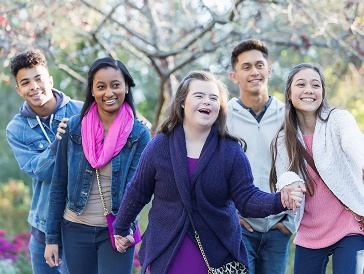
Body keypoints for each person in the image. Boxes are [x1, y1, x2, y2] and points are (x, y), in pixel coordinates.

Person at [111, 70, 303, 274]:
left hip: (216, 254)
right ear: (183, 102)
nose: (207, 102)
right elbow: (138, 191)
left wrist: (280, 200)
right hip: (166, 252)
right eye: (199, 96)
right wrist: (121, 228)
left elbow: (246, 199)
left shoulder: (231, 151)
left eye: (213, 98)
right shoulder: (159, 146)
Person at [43, 57, 151, 274]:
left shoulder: (139, 134)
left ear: (126, 86)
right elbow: (58, 185)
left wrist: (127, 229)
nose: (108, 93)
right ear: (92, 91)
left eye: (115, 85)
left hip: (116, 231)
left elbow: (137, 191)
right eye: (101, 86)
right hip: (74, 228)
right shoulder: (73, 128)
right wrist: (51, 239)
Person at [270, 63, 364, 274]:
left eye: (316, 85)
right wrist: (290, 184)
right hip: (309, 231)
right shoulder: (283, 138)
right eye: (301, 84)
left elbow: (355, 142)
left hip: (348, 225)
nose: (309, 90)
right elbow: (284, 174)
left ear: (322, 91)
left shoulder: (338, 119)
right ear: (289, 92)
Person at [6, 48, 83, 274]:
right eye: (26, 82)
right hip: (42, 229)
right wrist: (58, 143)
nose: (34, 86)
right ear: (19, 90)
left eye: (38, 78)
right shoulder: (16, 129)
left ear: (49, 79)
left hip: (81, 226)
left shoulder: (82, 111)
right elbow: (41, 172)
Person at [227, 38, 294, 273]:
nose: (254, 72)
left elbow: (303, 167)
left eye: (259, 65)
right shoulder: (223, 118)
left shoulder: (288, 115)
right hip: (239, 229)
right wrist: (230, 217)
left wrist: (290, 222)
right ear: (234, 76)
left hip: (279, 227)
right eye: (246, 67)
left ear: (269, 69)